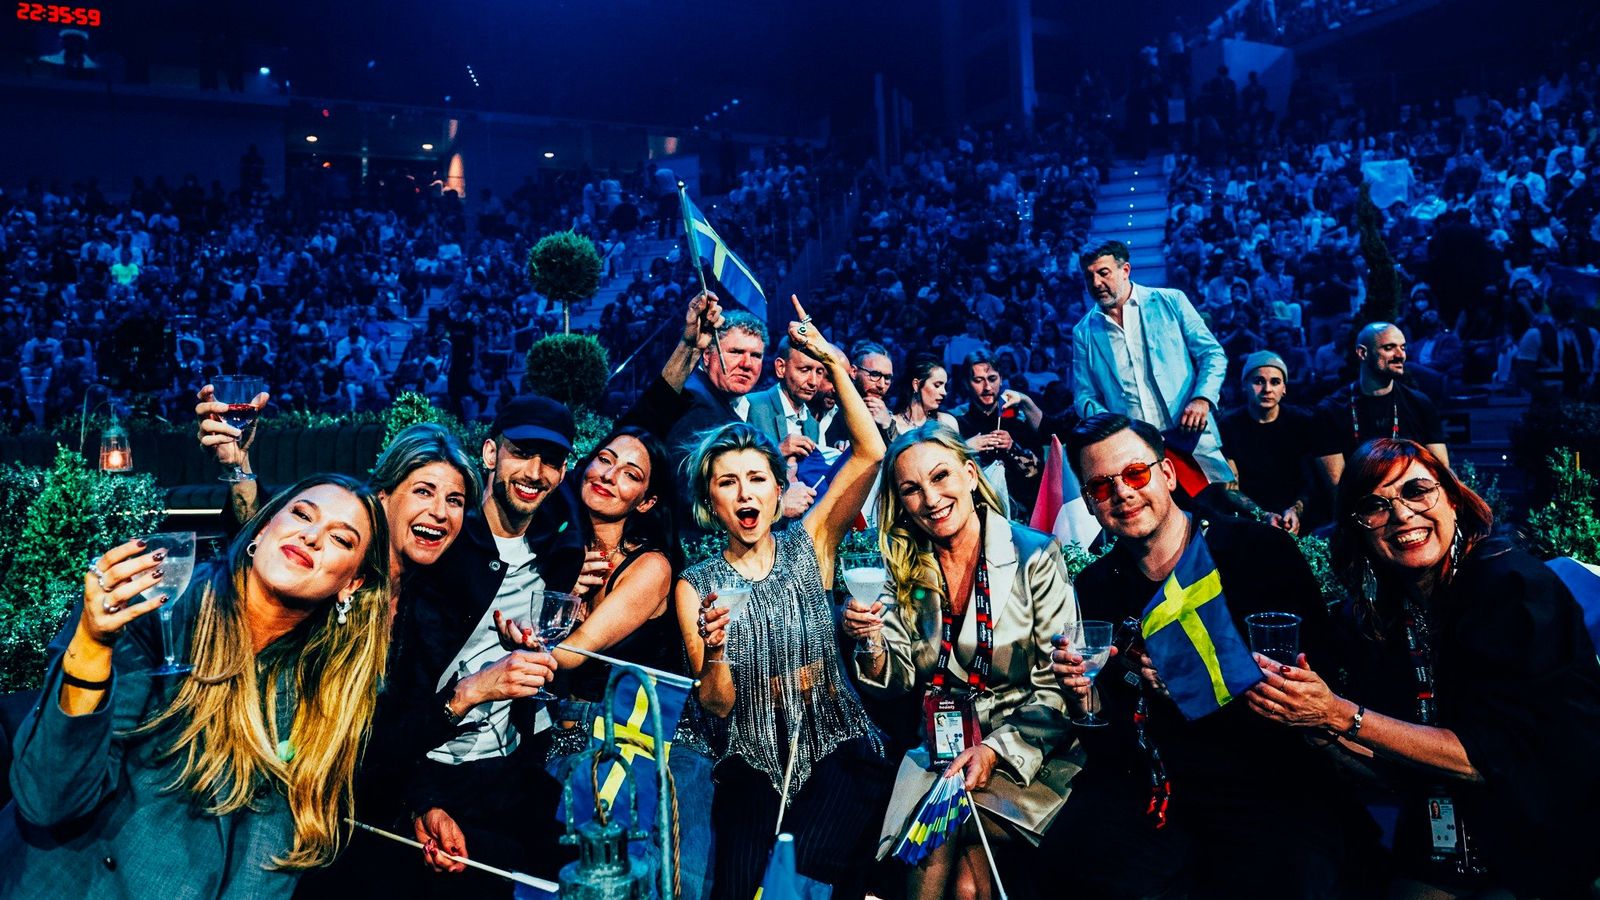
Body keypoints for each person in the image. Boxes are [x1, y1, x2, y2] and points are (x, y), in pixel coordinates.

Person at [1, 475, 391, 899]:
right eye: (301, 514)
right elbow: (50, 799)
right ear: (263, 529)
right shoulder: (156, 609)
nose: (311, 536)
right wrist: (93, 646)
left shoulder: (327, 687)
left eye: (340, 539)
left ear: (352, 583)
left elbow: (276, 848)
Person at [1248, 439, 1600, 897]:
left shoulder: (1511, 589)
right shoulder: (1382, 613)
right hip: (1444, 838)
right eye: (1374, 506)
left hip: (1543, 838)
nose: (1401, 514)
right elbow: (1400, 765)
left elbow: (1488, 760)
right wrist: (1316, 729)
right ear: (1359, 529)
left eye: (1416, 491)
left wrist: (1338, 714)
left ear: (1452, 498)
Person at [1043, 414, 1360, 898]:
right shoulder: (1097, 585)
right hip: (1160, 792)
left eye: (1135, 474)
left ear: (1168, 474)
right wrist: (1084, 697)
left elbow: (1321, 679)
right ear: (1089, 502)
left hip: (1271, 785)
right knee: (1065, 861)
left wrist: (1203, 680)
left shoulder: (1257, 552)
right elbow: (1113, 741)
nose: (1122, 493)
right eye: (1102, 487)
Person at [675, 296, 887, 900]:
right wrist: (717, 651)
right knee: (738, 889)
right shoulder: (695, 584)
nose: (745, 493)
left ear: (777, 488)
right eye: (728, 482)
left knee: (802, 885)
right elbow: (716, 706)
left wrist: (832, 361)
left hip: (835, 751)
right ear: (711, 501)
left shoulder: (811, 544)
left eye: (756, 478)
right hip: (750, 764)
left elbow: (870, 452)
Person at [848, 423, 1078, 900]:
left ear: (971, 475)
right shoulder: (904, 568)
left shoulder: (1035, 556)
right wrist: (869, 640)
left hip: (1028, 753)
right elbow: (896, 679)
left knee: (939, 822)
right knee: (968, 886)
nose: (930, 499)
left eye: (941, 477)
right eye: (911, 489)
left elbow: (1057, 688)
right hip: (941, 755)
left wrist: (993, 750)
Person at [1071, 240, 1232, 488]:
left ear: (1125, 270)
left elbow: (1212, 354)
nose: (1096, 283)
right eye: (1089, 276)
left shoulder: (1171, 301)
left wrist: (1202, 399)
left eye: (1103, 273)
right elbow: (1084, 396)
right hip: (1135, 449)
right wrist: (1115, 429)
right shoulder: (1083, 332)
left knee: (1217, 506)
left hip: (1191, 435)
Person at [1312, 322, 1448, 488]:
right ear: (1363, 353)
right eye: (1389, 348)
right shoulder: (1331, 410)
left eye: (1403, 348)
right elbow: (1337, 488)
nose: (1400, 355)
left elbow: (1441, 473)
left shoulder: (1420, 404)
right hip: (1358, 500)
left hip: (1412, 497)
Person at [1217, 351, 1318, 534]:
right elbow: (1230, 489)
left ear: (1284, 388)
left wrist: (1295, 511)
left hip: (1296, 521)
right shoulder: (1229, 426)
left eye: (1275, 382)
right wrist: (1263, 515)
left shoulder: (1301, 422)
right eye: (1258, 381)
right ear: (1244, 385)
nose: (1267, 389)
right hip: (1249, 523)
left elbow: (1311, 481)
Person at [949, 349, 1043, 518]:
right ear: (966, 383)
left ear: (1001, 379)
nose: (987, 387)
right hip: (972, 513)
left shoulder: (1018, 418)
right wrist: (966, 448)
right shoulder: (955, 421)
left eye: (992, 379)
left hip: (1019, 513)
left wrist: (1013, 448)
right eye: (978, 381)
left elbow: (1037, 473)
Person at [890, 355, 960, 437]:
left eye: (945, 387)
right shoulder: (892, 425)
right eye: (937, 385)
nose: (944, 392)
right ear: (916, 385)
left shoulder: (947, 423)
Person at [850, 340, 897, 439]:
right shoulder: (834, 408)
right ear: (854, 372)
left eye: (887, 378)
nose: (881, 385)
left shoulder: (889, 418)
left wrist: (888, 425)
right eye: (874, 375)